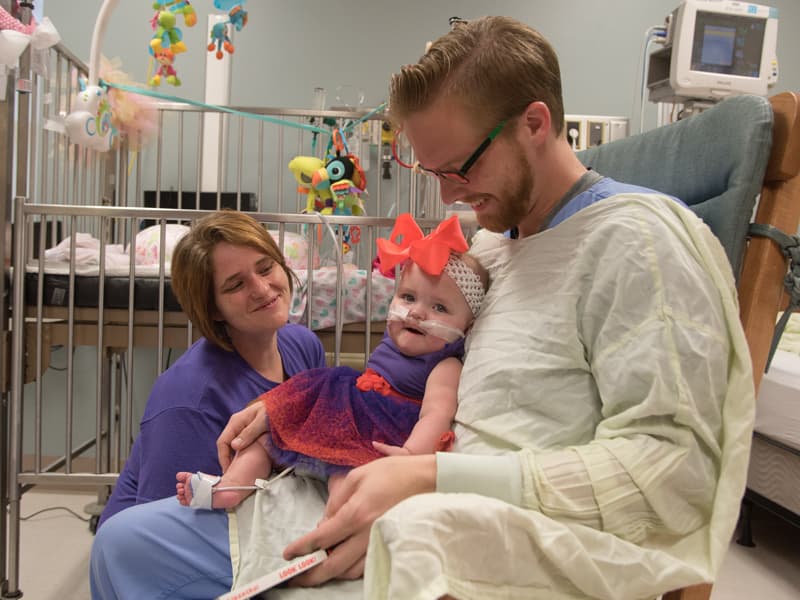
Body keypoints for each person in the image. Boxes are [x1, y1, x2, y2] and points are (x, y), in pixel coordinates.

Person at [90, 16, 755, 600]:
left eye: (460, 169)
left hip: (488, 526)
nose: (450, 197)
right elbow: (421, 375)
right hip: (407, 479)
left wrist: (429, 481)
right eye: (432, 173)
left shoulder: (638, 241)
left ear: (534, 124)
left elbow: (675, 473)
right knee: (125, 547)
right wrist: (298, 406)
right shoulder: (492, 249)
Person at [175, 213, 489, 511]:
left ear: (467, 328)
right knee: (268, 438)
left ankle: (336, 519)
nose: (418, 313)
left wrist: (409, 456)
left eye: (439, 308)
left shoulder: (444, 365)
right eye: (408, 298)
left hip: (383, 437)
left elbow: (436, 413)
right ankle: (230, 488)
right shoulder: (397, 338)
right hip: (350, 417)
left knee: (347, 475)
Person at [96, 210, 326, 528]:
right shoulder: (188, 399)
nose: (261, 289)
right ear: (212, 308)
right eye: (235, 285)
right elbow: (162, 532)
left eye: (266, 267)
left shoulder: (303, 347)